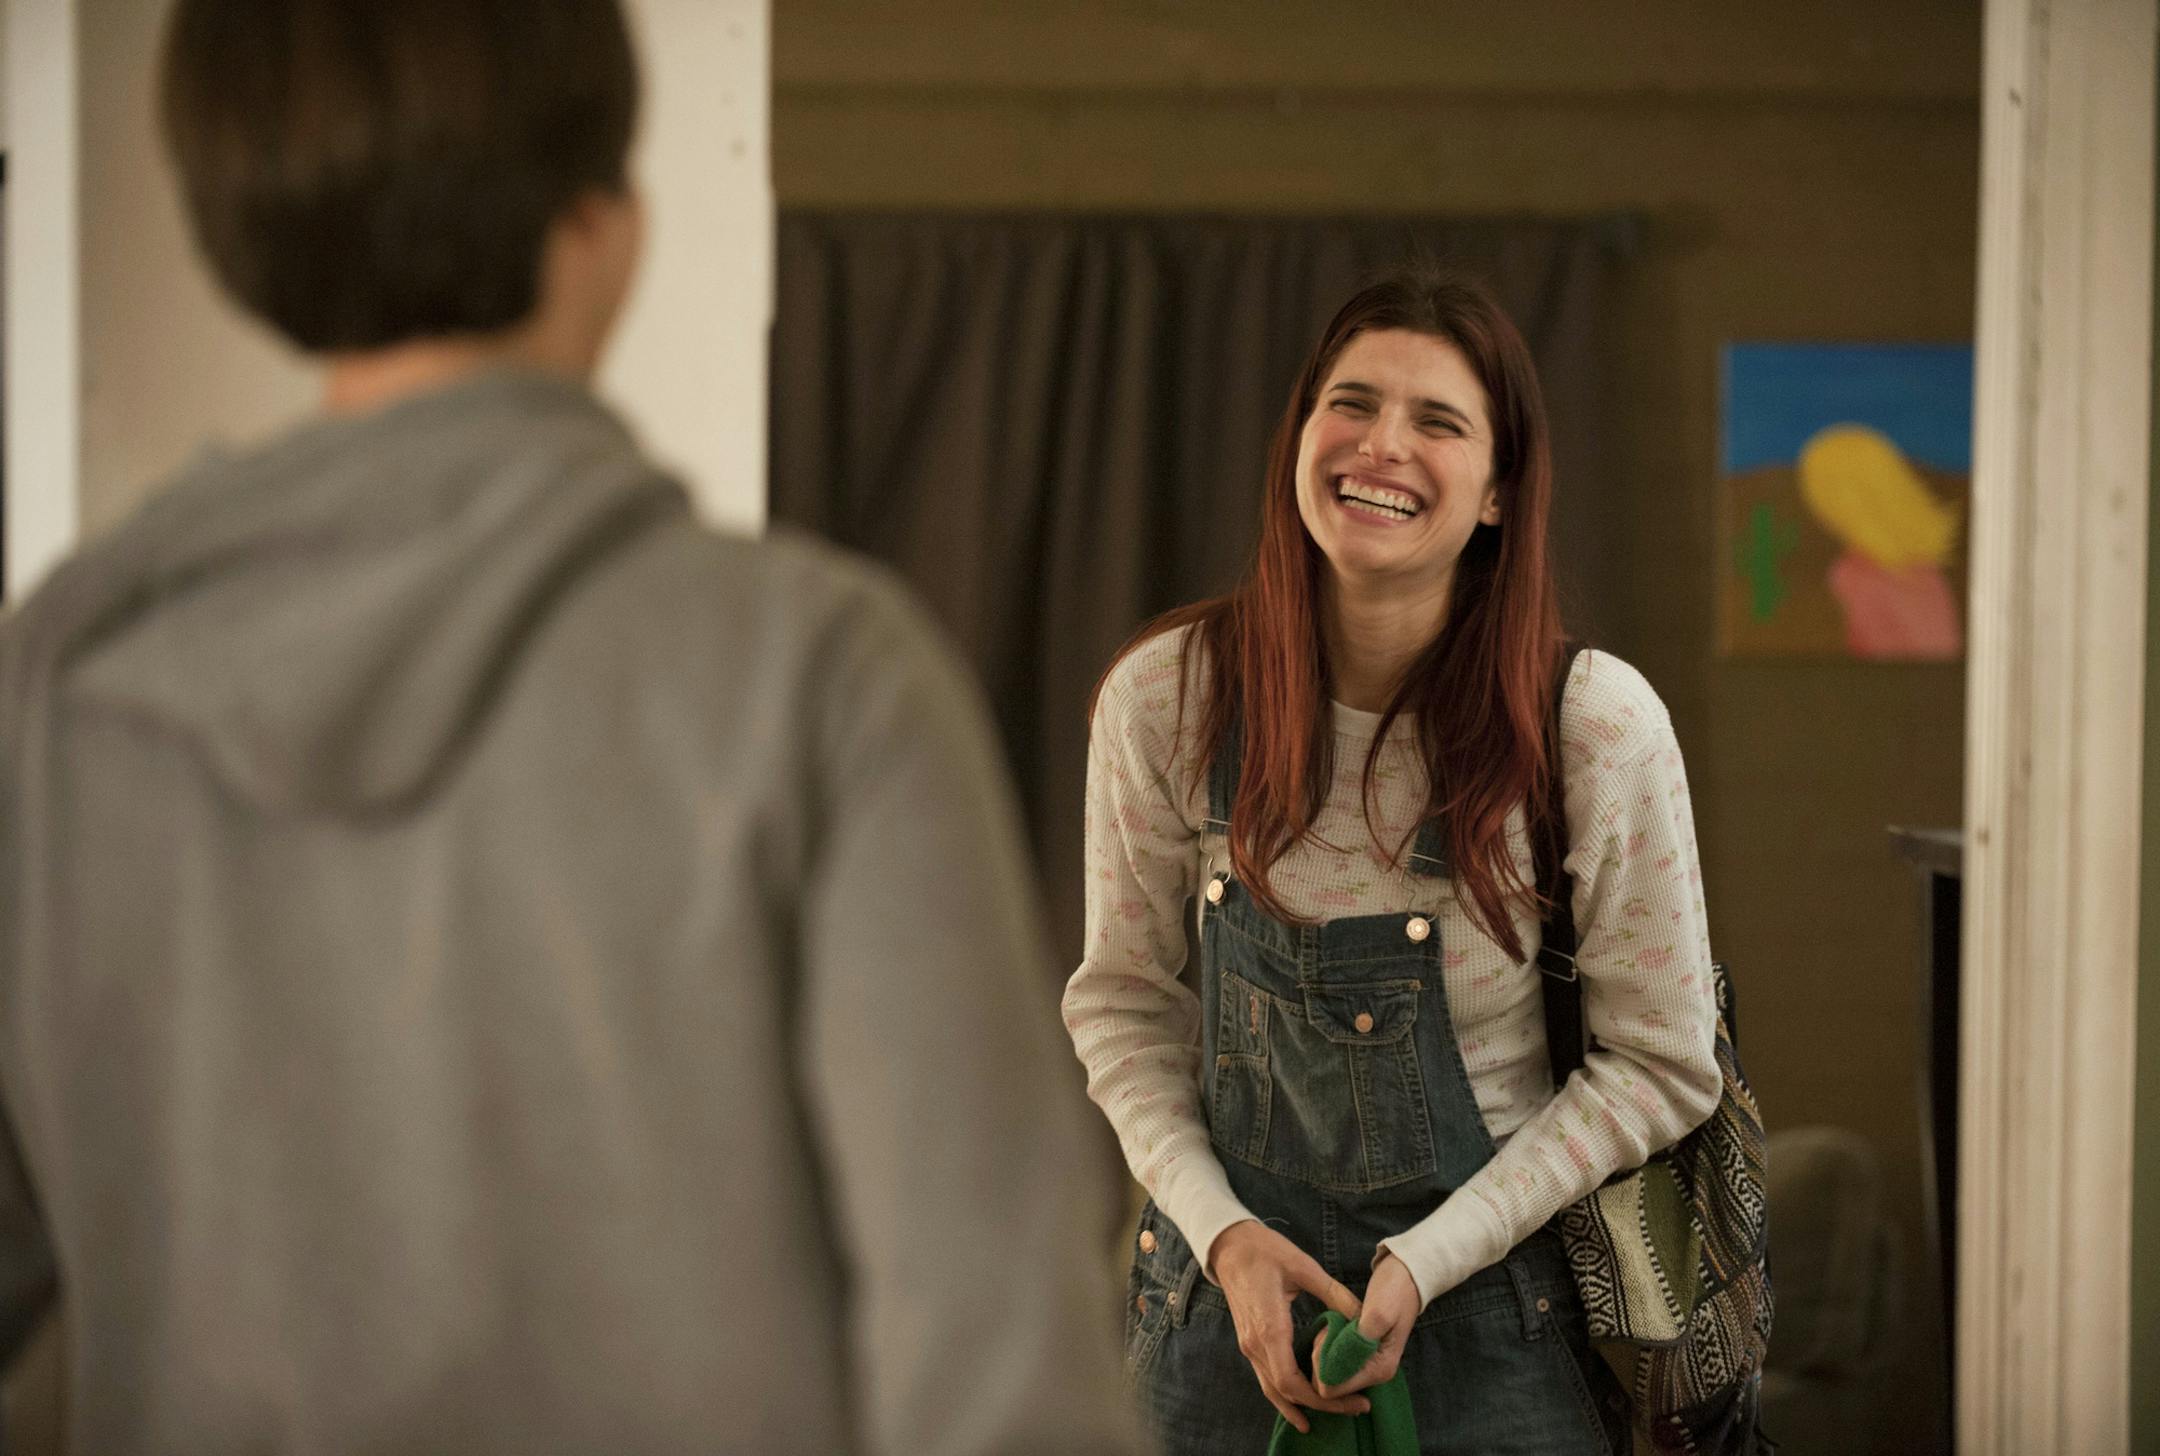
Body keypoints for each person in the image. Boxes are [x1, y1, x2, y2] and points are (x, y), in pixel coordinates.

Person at [0, 2, 1144, 1452]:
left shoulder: (58, 696)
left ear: (243, 234)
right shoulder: (822, 680)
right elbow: (1000, 1379)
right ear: (603, 224)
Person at [1063, 269, 1724, 1454]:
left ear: (1498, 494)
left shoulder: (1595, 727)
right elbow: (1122, 1004)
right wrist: (1224, 1234)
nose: (1382, 445)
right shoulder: (1166, 699)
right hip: (1219, 1314)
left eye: (1439, 421)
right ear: (1300, 438)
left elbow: (1663, 1062)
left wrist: (1426, 1260)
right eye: (1352, 403)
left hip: (1498, 1328)